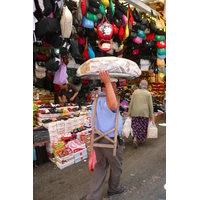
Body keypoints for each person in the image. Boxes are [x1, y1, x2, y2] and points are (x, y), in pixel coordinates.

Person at [86, 70, 126, 200]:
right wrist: (108, 81)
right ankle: (113, 190)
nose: (115, 88)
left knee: (100, 167)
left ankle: (92, 197)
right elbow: (113, 105)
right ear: (104, 86)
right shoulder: (107, 100)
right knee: (116, 166)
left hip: (98, 139)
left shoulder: (96, 100)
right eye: (112, 85)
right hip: (110, 141)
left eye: (114, 85)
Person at [128, 80, 154, 149]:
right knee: (143, 126)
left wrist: (129, 112)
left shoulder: (135, 92)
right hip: (144, 113)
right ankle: (142, 140)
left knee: (135, 126)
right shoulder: (148, 93)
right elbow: (150, 105)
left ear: (140, 85)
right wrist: (151, 115)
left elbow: (131, 103)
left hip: (135, 112)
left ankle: (135, 139)